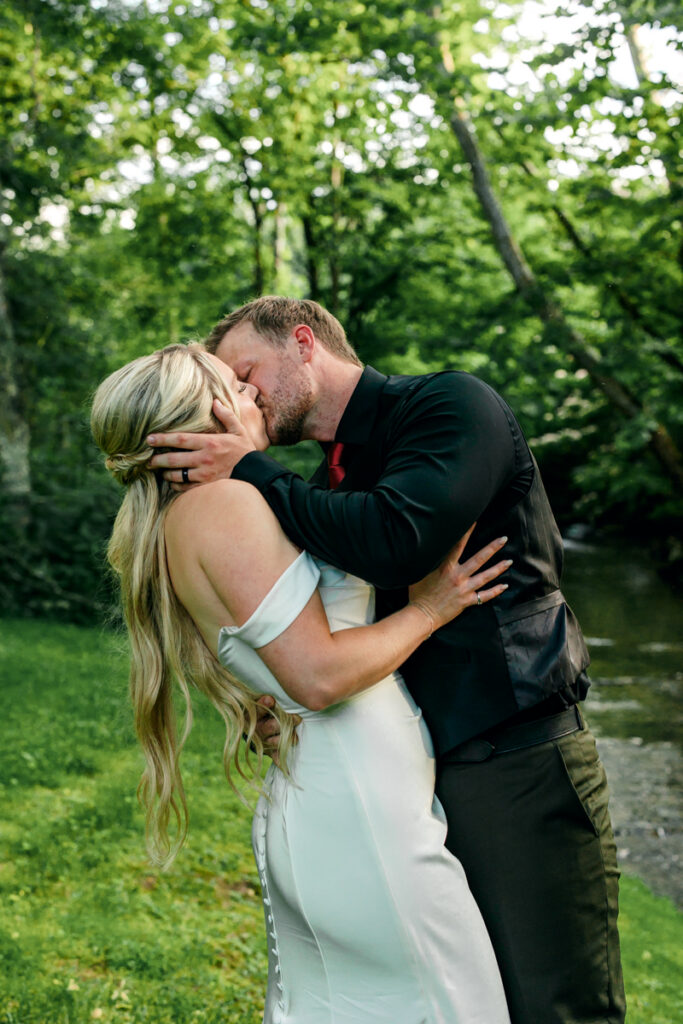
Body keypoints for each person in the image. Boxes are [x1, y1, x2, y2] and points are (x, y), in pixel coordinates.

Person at [147, 296, 626, 1024]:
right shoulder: (316, 483)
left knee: (554, 1006)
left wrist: (251, 468)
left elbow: (398, 540)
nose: (237, 400)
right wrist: (278, 699)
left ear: (302, 343)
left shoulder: (446, 406)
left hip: (512, 760)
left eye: (246, 374)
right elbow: (303, 618)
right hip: (407, 775)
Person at [91, 342, 513, 1024]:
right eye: (237, 385)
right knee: (449, 1004)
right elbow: (317, 677)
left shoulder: (205, 510)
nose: (254, 397)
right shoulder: (224, 506)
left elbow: (284, 660)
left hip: (344, 792)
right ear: (203, 412)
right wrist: (432, 608)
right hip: (357, 805)